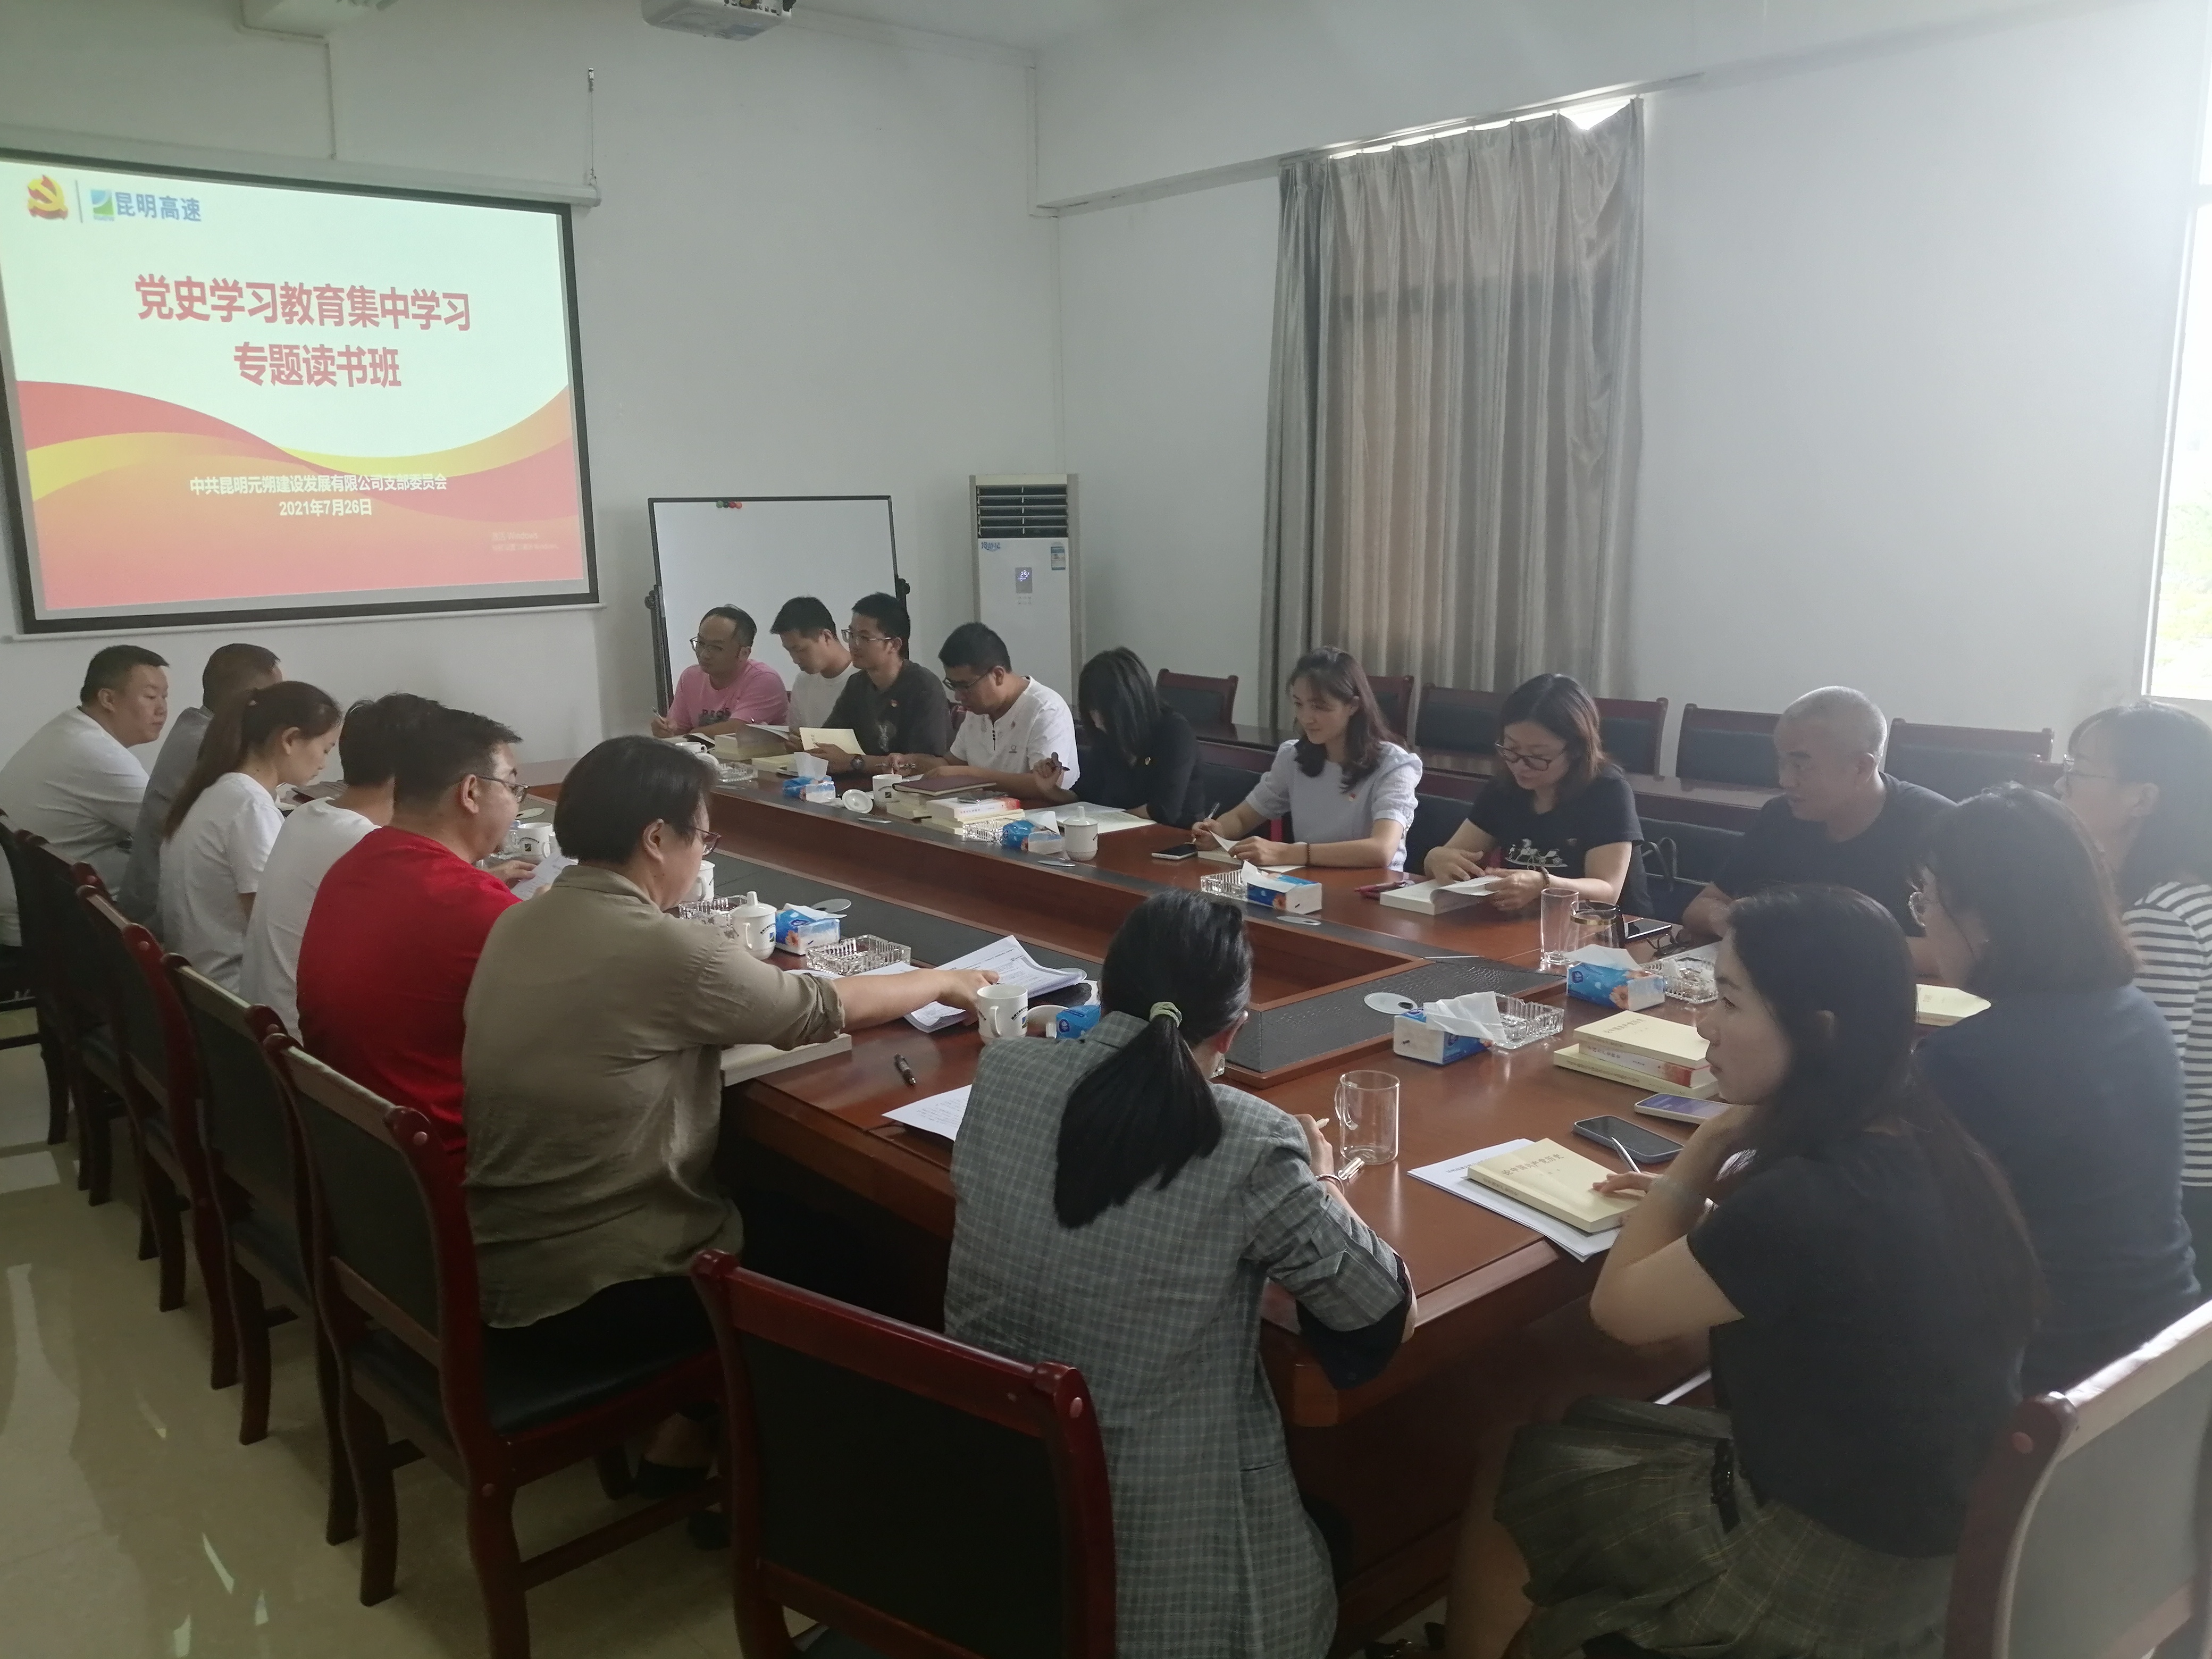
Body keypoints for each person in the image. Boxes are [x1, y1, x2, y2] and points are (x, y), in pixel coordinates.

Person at [1455, 885, 2035, 1659]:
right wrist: (1710, 1219)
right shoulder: (1925, 1138)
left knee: (1515, 1459)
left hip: (1821, 1574)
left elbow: (1620, 1312)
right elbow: (1820, 1290)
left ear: (1818, 1031)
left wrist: (1704, 1148)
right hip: (1931, 1555)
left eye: (1729, 1002)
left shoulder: (1808, 1196)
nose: (1704, 1024)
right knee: (1574, 1415)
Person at [462, 736, 998, 1505]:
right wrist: (943, 980)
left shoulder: (521, 921)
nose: (703, 852)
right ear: (657, 838)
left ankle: (690, 1436)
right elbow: (818, 1006)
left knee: (776, 1211)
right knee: (858, 1258)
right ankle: (786, 1493)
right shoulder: (660, 948)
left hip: (512, 1261)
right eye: (703, 837)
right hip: (602, 1288)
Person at [945, 891, 1410, 1658]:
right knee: (1332, 1531)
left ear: (1104, 993)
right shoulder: (1250, 1137)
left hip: (995, 1517)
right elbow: (1383, 1311)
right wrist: (1321, 1176)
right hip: (1164, 1580)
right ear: (1232, 1029)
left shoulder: (1004, 1070)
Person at [1915, 784, 2199, 1393]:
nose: (1925, 920)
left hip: (2045, 1374)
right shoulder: (2135, 1013)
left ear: (1982, 921)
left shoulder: (1967, 1061)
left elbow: (1892, 1234)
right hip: (2163, 1352)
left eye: (1927, 901)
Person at [295, 705, 527, 1150]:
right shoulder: (476, 906)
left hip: (357, 1142)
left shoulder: (353, 863)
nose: (517, 801)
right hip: (448, 1159)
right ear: (471, 792)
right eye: (513, 786)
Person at [2058, 700, 2212, 1271]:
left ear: (2142, 799)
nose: (2061, 784)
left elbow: (2139, 1086)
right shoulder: (2186, 896)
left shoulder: (2162, 916)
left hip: (2183, 1187)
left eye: (2079, 769)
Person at [1681, 686, 1948, 967]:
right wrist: (1728, 920)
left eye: (1800, 766)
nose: (1785, 781)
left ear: (1860, 768)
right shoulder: (1780, 816)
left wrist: (1828, 946)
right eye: (1782, 763)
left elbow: (1963, 953)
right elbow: (1699, 908)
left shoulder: (1937, 827)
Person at [240, 693, 434, 1035]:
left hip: (265, 1028)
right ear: (411, 775)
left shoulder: (309, 814)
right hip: (305, 1045)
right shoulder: (367, 844)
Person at [159, 682, 342, 992]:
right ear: (290, 739)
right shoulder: (250, 807)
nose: (324, 763)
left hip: (201, 980)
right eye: (325, 749)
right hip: (232, 989)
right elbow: (273, 926)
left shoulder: (222, 790)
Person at [1424, 673, 1647, 912]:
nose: (1520, 766)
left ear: (1576, 750)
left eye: (1538, 756)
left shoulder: (1607, 791)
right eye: (1511, 748)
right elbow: (1453, 855)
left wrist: (1545, 884)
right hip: (1525, 923)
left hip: (1608, 927)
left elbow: (1607, 891)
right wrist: (1435, 858)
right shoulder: (1504, 787)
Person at [0, 644, 170, 946]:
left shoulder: (70, 729)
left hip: (30, 897)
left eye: (164, 697)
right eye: (150, 697)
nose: (162, 709)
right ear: (108, 699)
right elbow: (172, 833)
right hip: (46, 920)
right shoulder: (96, 753)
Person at [1193, 647, 1421, 872]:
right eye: (1299, 704)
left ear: (1353, 706)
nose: (1306, 718)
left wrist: (1287, 853)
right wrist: (1219, 831)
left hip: (1374, 888)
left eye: (1319, 707)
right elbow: (1243, 818)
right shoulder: (1293, 757)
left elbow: (1381, 850)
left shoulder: (1394, 765)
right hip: (1310, 881)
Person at [119, 642, 281, 923]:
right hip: (159, 916)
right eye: (277, 698)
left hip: (161, 900)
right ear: (252, 702)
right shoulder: (211, 746)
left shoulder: (194, 724)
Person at [894, 622, 1082, 798]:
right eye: (953, 686)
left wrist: (968, 774)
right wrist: (911, 763)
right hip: (987, 813)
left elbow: (1045, 784)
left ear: (998, 675)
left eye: (965, 686)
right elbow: (950, 764)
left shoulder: (1045, 709)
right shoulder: (977, 711)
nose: (958, 696)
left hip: (1042, 817)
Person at [1027, 647, 1203, 826]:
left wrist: (1101, 820)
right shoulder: (1108, 735)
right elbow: (1085, 795)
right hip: (1118, 832)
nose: (1096, 721)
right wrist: (1050, 789)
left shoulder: (1175, 732)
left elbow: (1163, 811)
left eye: (1103, 710)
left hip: (1174, 837)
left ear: (1129, 704)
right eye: (1092, 709)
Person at [810, 583, 950, 777]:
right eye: (851, 635)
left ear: (894, 644)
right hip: (863, 787)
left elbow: (931, 765)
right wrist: (810, 746)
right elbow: (832, 738)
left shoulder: (924, 687)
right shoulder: (857, 684)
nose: (854, 645)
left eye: (864, 638)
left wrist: (855, 762)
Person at [651, 606, 789, 738]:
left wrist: (692, 734)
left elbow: (739, 730)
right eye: (701, 643)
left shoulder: (765, 680)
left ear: (744, 653)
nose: (704, 654)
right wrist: (667, 730)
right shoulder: (690, 678)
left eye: (716, 648)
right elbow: (678, 730)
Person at [771, 595, 857, 731]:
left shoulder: (864, 679)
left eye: (801, 650)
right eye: (789, 651)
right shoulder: (803, 682)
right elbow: (796, 733)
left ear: (826, 637)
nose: (795, 660)